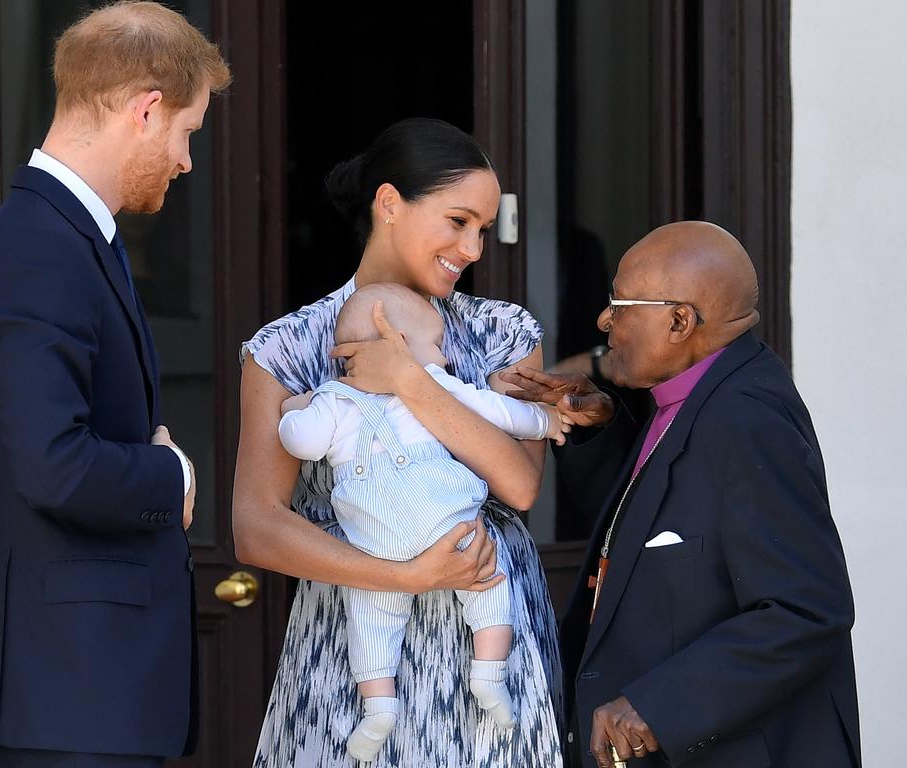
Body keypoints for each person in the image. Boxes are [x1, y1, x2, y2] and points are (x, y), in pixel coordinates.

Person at [234, 117, 566, 767]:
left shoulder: (503, 331)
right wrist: (405, 576)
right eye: (458, 221)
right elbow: (256, 526)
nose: (473, 248)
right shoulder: (288, 348)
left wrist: (412, 382)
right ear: (389, 204)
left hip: (487, 647)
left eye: (482, 229)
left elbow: (521, 487)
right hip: (354, 654)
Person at [0, 4, 231, 766]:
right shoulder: (42, 245)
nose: (184, 161)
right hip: (69, 707)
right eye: (187, 135)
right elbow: (53, 463)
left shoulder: (70, 238)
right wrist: (168, 472)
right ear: (146, 111)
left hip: (88, 702)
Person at [503, 221, 861, 767]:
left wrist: (657, 706)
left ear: (678, 320)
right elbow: (666, 529)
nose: (603, 320)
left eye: (619, 304)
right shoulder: (690, 394)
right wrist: (601, 428)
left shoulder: (748, 418)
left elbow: (807, 608)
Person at [278, 282, 570, 761]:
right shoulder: (439, 386)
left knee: (369, 624)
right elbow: (501, 413)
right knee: (488, 585)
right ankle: (489, 674)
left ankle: (378, 711)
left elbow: (302, 443)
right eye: (437, 345)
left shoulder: (332, 401)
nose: (447, 359)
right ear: (397, 341)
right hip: (447, 524)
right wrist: (545, 423)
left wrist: (293, 412)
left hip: (374, 546)